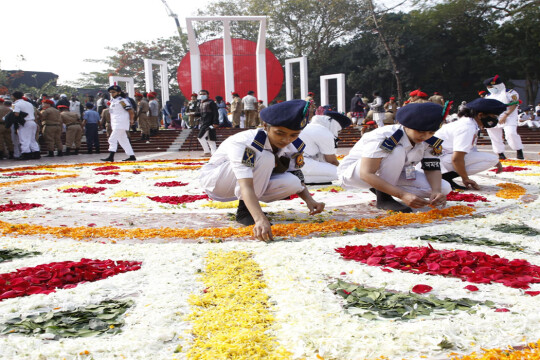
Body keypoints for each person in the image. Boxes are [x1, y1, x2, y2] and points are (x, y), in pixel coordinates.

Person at [199, 99, 325, 241]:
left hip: (251, 183)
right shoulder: (246, 143)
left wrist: (310, 200)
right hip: (218, 182)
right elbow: (245, 185)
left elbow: (295, 172)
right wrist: (260, 219)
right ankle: (245, 212)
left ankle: (251, 209)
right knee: (265, 157)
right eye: (280, 133)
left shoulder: (295, 145)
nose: (286, 139)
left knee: (294, 183)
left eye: (293, 135)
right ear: (265, 126)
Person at [338, 102, 451, 213]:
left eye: (431, 132)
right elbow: (366, 173)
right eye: (420, 131)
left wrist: (436, 191)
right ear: (406, 126)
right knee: (397, 151)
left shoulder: (429, 141)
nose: (425, 136)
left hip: (397, 173)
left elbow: (431, 168)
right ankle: (384, 198)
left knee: (444, 188)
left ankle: (381, 187)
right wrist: (403, 195)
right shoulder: (386, 137)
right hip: (355, 174)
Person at [435, 98, 504, 190]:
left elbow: (470, 150)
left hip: (440, 158)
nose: (495, 119)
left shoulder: (470, 123)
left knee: (492, 159)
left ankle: (445, 177)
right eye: (494, 116)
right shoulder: (467, 127)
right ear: (480, 115)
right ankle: (444, 177)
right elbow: (456, 158)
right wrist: (465, 179)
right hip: (436, 161)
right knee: (491, 159)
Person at [301, 110, 352, 184]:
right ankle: (300, 178)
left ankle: (298, 177)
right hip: (301, 162)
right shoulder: (325, 133)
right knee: (339, 173)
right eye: (338, 129)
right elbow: (332, 161)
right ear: (334, 125)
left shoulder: (310, 126)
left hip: (296, 162)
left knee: (332, 171)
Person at [483, 75, 524, 160]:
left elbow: (514, 104)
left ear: (497, 85)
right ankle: (500, 153)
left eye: (491, 87)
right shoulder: (488, 96)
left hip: (509, 115)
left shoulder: (510, 93)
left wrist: (505, 115)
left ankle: (518, 150)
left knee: (510, 133)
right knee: (493, 135)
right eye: (488, 87)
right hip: (494, 116)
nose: (489, 89)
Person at [101, 85, 136, 162]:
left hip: (121, 122)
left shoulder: (122, 101)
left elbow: (130, 110)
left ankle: (111, 156)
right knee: (123, 139)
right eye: (111, 92)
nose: (112, 94)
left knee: (112, 139)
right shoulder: (113, 101)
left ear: (119, 92)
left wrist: (131, 120)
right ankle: (131, 155)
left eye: (113, 92)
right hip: (116, 122)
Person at [11, 91, 40, 160]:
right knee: (32, 139)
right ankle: (36, 153)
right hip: (32, 122)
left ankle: (26, 154)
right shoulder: (28, 103)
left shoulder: (16, 104)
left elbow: (16, 114)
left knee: (24, 139)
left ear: (14, 97)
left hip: (25, 122)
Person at [194, 89, 219, 156]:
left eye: (204, 94)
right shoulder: (200, 103)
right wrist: (194, 114)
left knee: (200, 137)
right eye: (201, 94)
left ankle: (207, 152)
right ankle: (215, 154)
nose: (202, 95)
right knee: (210, 138)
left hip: (209, 124)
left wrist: (216, 122)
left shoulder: (211, 102)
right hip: (203, 123)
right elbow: (200, 114)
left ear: (208, 95)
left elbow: (215, 113)